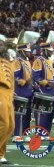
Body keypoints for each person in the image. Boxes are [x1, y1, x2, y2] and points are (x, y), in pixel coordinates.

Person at [0, 36, 14, 164]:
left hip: (9, 95)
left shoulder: (7, 62)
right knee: (4, 125)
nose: (2, 47)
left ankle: (1, 154)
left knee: (11, 126)